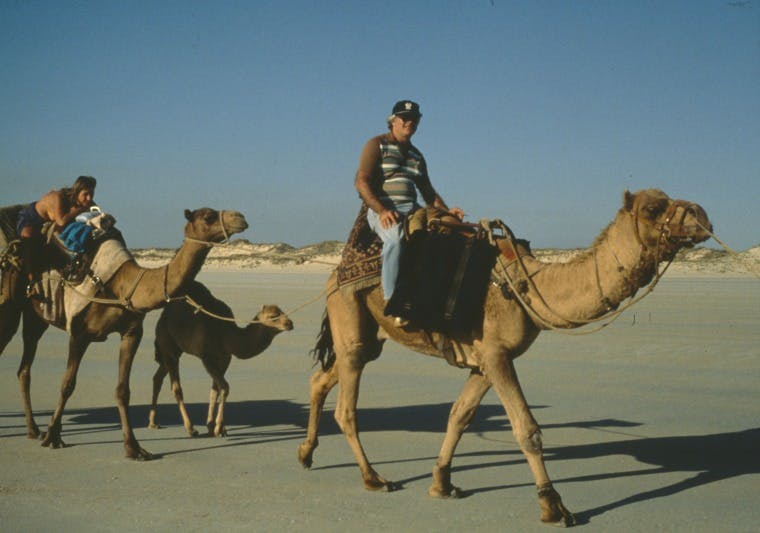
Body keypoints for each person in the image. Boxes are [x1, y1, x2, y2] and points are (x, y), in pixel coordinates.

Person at [354, 100, 463, 307]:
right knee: (395, 240)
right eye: (404, 118)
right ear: (393, 121)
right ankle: (390, 298)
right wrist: (382, 210)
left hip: (412, 210)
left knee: (448, 235)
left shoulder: (417, 156)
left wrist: (448, 212)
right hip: (383, 208)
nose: (409, 123)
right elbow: (361, 181)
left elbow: (428, 193)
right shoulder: (376, 144)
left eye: (414, 119)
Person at [16, 175, 97, 293]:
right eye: (85, 194)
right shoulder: (57, 197)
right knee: (29, 241)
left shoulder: (85, 201)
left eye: (91, 194)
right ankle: (31, 280)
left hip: (48, 222)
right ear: (77, 191)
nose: (89, 198)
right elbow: (61, 221)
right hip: (30, 220)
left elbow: (96, 211)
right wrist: (80, 210)